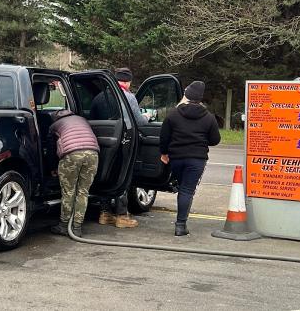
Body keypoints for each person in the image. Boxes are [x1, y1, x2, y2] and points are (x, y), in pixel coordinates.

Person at [159, 81, 221, 236]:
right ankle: (180, 225)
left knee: (182, 188)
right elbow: (215, 140)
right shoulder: (209, 118)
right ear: (200, 98)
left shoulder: (173, 114)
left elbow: (164, 136)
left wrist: (164, 153)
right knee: (187, 190)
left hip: (176, 158)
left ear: (186, 95)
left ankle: (181, 222)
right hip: (197, 159)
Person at [97, 67, 150, 228]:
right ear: (128, 82)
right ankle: (121, 216)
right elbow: (139, 122)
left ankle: (105, 213)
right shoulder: (128, 96)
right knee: (123, 178)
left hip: (103, 142)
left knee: (105, 175)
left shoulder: (99, 97)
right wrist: (147, 116)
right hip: (123, 142)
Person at [49, 109, 99, 237]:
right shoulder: (82, 119)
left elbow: (51, 148)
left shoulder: (55, 125)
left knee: (68, 192)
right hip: (93, 154)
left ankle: (64, 226)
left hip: (71, 154)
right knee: (83, 192)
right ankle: (77, 227)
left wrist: (53, 167)